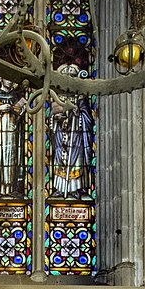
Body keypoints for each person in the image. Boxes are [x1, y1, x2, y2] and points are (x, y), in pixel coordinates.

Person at [50, 68, 95, 199]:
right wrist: (56, 118)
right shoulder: (57, 97)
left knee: (76, 161)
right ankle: (61, 188)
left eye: (71, 77)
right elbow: (51, 117)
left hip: (76, 136)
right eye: (65, 77)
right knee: (59, 160)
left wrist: (78, 114)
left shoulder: (79, 97)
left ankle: (75, 188)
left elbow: (88, 118)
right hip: (61, 135)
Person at [0, 79, 27, 198]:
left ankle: (12, 187)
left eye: (11, 79)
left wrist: (20, 111)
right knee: (0, 159)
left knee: (12, 158)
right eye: (7, 79)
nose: (10, 82)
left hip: (13, 135)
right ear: (0, 79)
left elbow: (21, 117)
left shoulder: (15, 97)